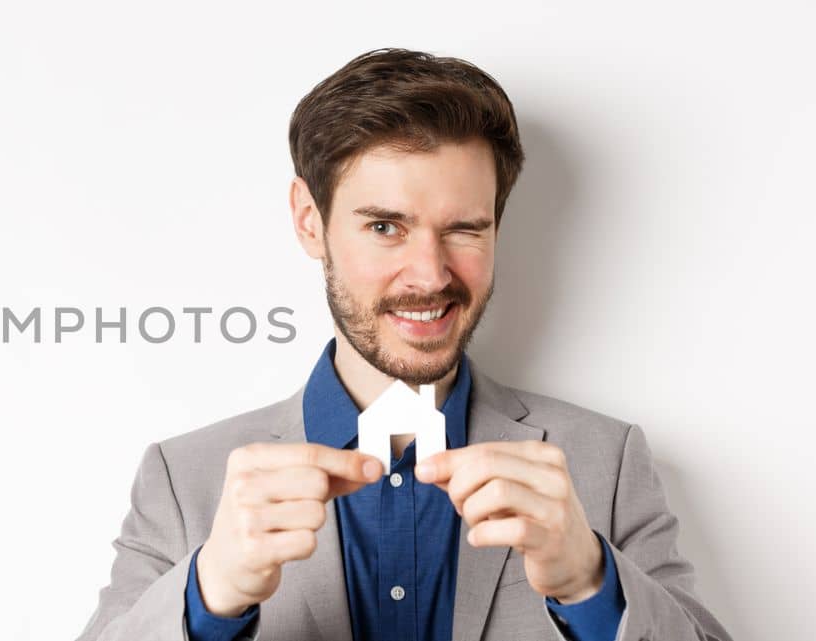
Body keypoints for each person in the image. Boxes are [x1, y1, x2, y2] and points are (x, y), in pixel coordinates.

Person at [74, 48, 732, 641]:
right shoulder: (184, 480)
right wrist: (206, 597)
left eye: (465, 228)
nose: (430, 274)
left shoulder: (605, 463)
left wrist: (591, 581)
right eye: (386, 226)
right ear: (310, 221)